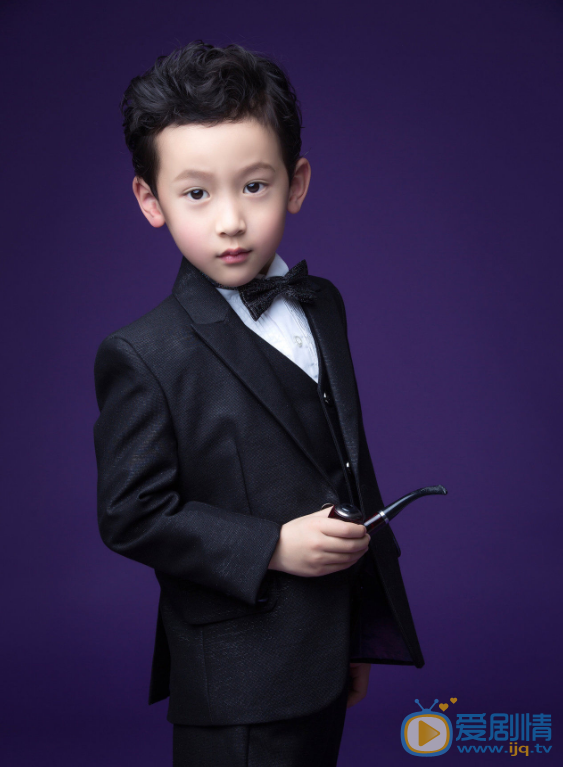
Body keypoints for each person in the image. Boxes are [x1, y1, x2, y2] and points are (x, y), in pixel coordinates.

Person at [93, 41, 423, 767]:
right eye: (196, 193)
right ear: (150, 200)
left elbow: (346, 464)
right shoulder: (144, 352)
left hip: (325, 643)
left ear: (295, 182)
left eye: (253, 186)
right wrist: (271, 545)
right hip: (235, 671)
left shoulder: (322, 303)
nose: (230, 221)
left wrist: (359, 629)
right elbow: (131, 513)